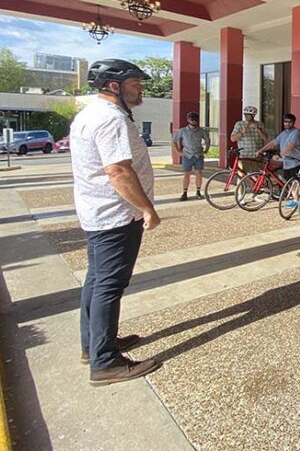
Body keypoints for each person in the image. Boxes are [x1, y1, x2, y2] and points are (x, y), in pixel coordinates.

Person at [70, 59, 162, 386]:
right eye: (135, 84)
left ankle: (93, 345)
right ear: (114, 86)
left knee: (96, 281)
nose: (140, 89)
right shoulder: (110, 119)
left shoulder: (90, 114)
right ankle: (106, 361)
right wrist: (147, 208)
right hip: (116, 216)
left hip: (98, 213)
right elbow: (118, 171)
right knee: (109, 285)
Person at [258, 113, 300, 209]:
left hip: (297, 161)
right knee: (290, 181)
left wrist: (279, 155)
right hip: (287, 161)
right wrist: (261, 150)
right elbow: (273, 142)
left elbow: (291, 146)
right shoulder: (284, 133)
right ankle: (295, 199)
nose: (287, 124)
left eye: (290, 122)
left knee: (298, 182)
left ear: (293, 123)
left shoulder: (296, 132)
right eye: (286, 122)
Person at [173, 111, 210, 201]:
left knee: (199, 173)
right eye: (192, 119)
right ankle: (184, 192)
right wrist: (178, 151)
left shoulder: (201, 130)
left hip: (198, 155)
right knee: (186, 174)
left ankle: (198, 191)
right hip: (187, 155)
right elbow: (174, 141)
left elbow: (207, 140)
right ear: (188, 120)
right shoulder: (182, 131)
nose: (194, 121)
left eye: (195, 120)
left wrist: (206, 149)